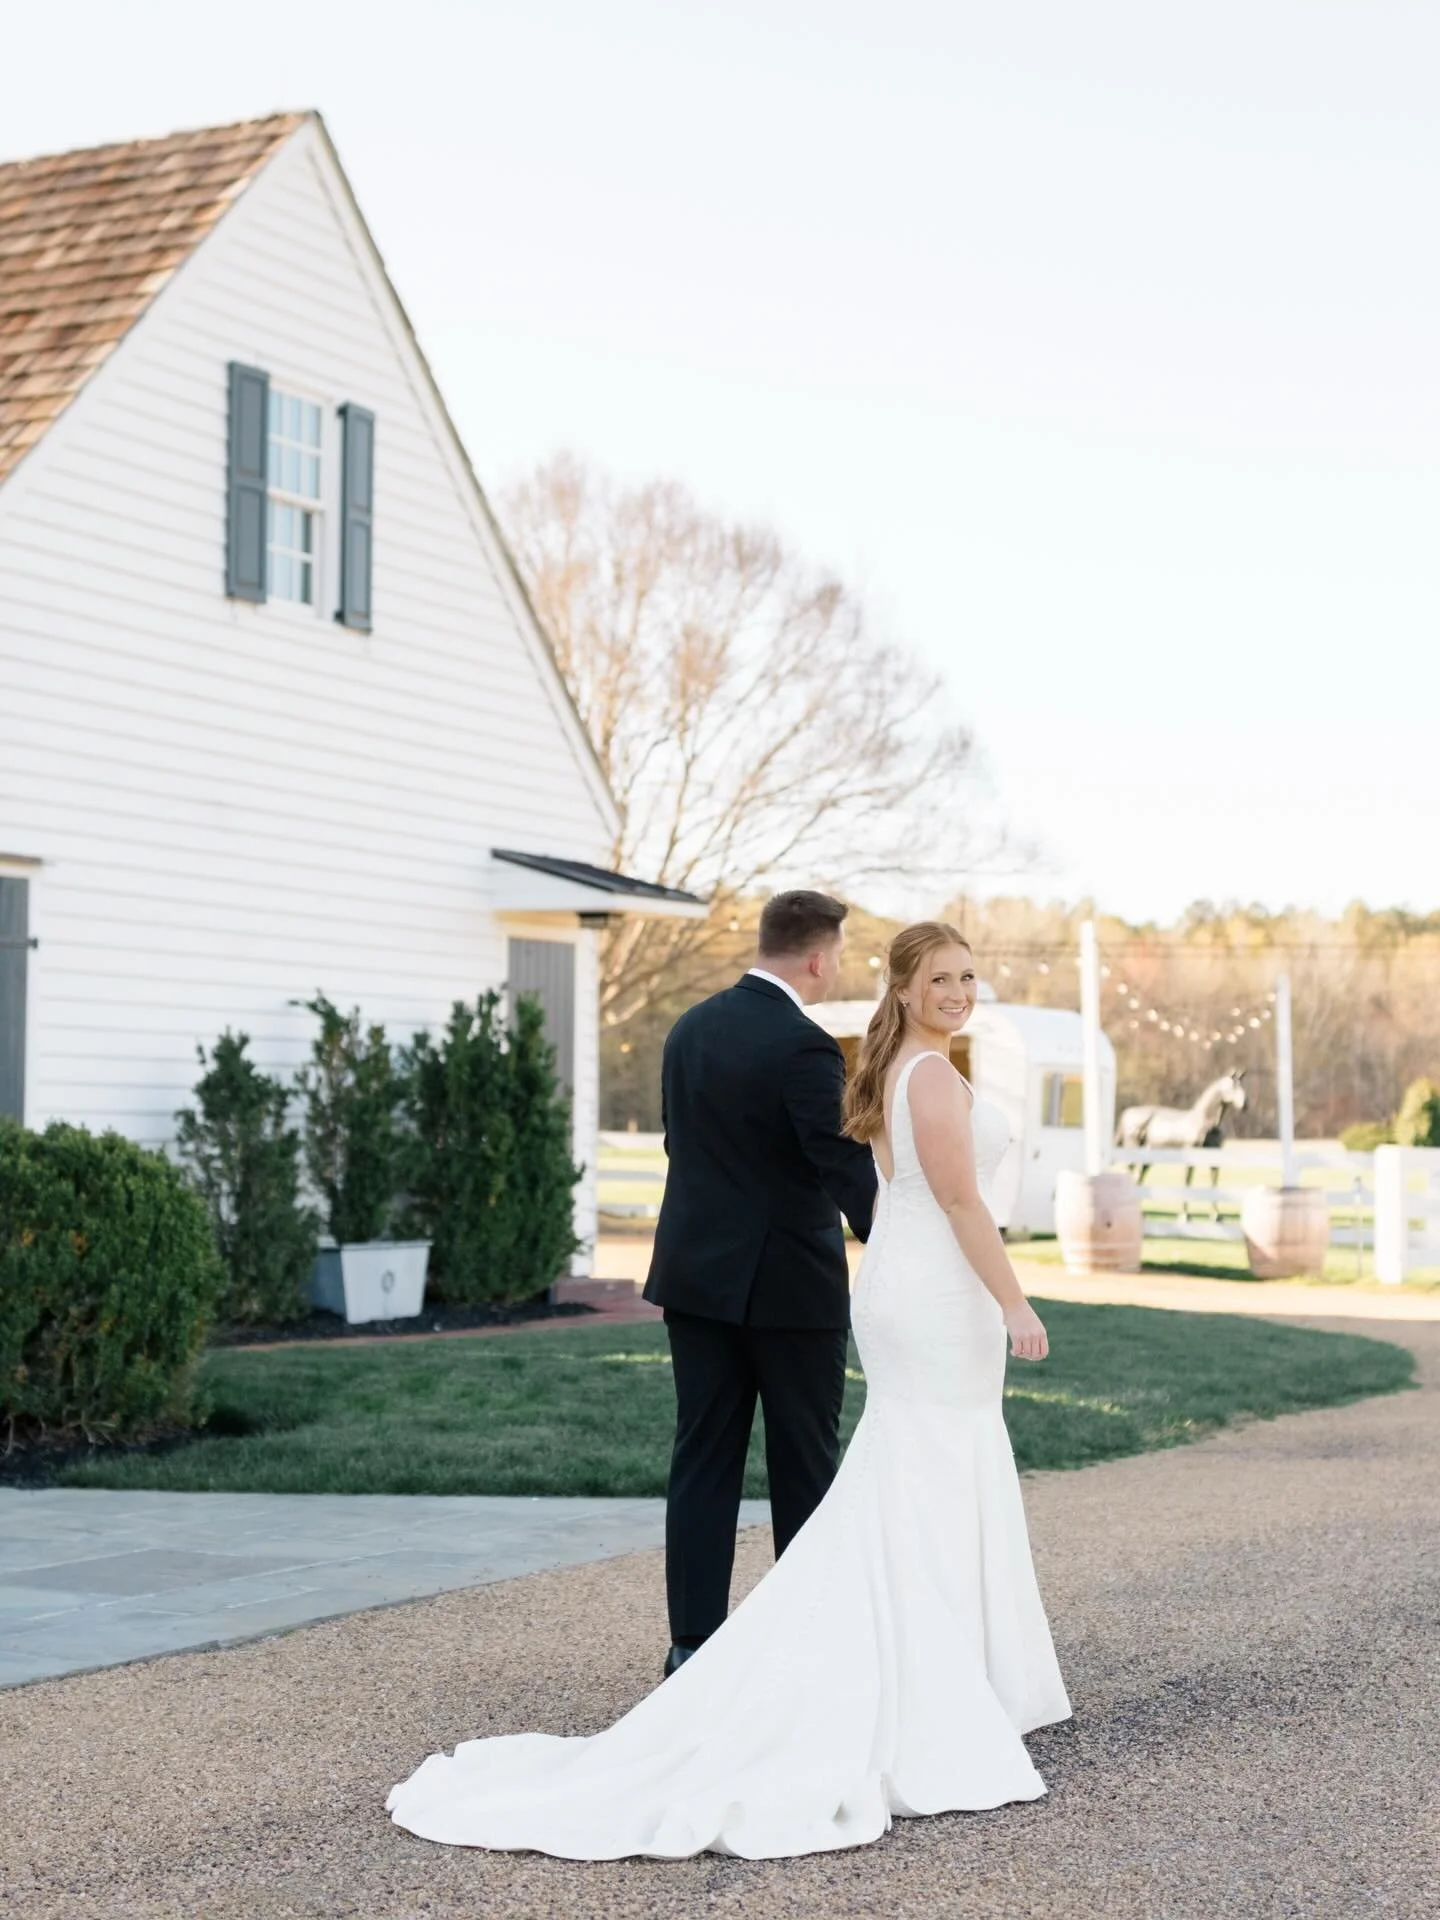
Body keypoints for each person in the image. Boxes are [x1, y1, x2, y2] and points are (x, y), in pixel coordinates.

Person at [387, 920, 1071, 1861]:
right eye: (942, 978)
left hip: (730, 1277)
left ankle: (703, 1644)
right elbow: (924, 1192)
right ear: (877, 976)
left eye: (968, 976)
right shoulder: (843, 1056)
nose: (960, 990)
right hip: (847, 1287)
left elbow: (726, 1153)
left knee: (736, 1463)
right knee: (847, 1466)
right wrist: (995, 1290)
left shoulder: (704, 1032)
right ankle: (887, 1666)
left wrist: (903, 1257)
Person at [642, 889, 879, 1677]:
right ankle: (804, 1638)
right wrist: (898, 1237)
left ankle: (691, 1646)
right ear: (817, 958)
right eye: (837, 956)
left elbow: (683, 1142)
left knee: (702, 1458)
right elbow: (837, 1160)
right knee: (803, 1463)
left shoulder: (690, 1028)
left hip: (694, 1279)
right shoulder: (804, 1045)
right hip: (790, 1289)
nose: (835, 968)